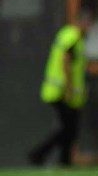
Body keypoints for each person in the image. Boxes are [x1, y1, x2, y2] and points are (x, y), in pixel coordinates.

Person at [29, 11, 93, 167]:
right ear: (81, 23)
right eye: (88, 24)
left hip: (64, 91)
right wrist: (69, 88)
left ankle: (64, 161)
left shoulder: (67, 35)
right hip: (61, 91)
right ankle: (38, 154)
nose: (90, 28)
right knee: (68, 129)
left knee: (71, 128)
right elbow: (66, 62)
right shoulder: (72, 38)